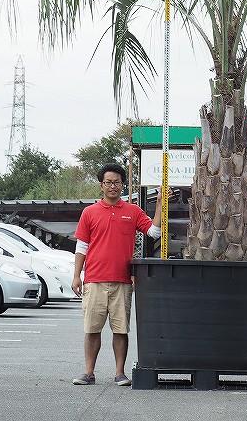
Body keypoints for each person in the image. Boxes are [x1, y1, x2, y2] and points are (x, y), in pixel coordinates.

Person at [71, 162, 168, 387]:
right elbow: (81, 246)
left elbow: (153, 232)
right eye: (108, 182)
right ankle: (88, 372)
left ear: (123, 185)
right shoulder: (89, 212)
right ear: (101, 186)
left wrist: (161, 206)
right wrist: (77, 276)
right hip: (94, 279)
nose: (112, 186)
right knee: (92, 328)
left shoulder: (133, 211)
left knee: (120, 329)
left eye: (117, 182)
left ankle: (119, 373)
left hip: (123, 281)